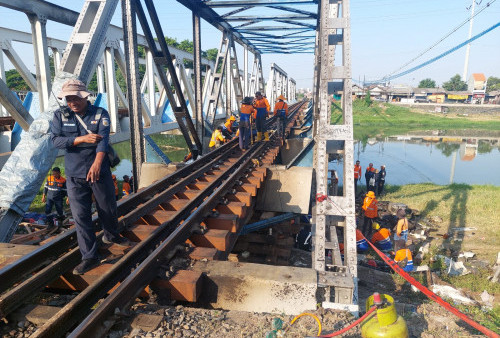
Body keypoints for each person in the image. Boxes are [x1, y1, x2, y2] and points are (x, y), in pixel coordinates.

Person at [51, 79, 130, 275]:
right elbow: (55, 140)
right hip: (74, 174)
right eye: (68, 99)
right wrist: (81, 139)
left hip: (99, 171)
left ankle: (111, 235)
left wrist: (96, 164)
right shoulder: (60, 116)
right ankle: (89, 257)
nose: (72, 102)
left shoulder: (100, 114)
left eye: (75, 98)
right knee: (80, 216)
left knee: (108, 208)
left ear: (84, 97)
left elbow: (103, 141)